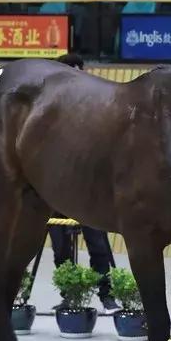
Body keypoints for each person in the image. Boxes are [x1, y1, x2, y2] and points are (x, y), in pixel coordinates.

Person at [44, 53, 122, 314]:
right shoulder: (47, 111)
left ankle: (106, 295)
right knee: (61, 249)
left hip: (90, 191)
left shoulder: (95, 109)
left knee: (98, 246)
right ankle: (70, 296)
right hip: (56, 191)